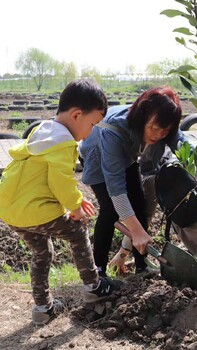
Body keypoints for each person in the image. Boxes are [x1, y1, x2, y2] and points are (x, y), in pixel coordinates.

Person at [0, 79, 121, 326]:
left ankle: (43, 308)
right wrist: (75, 207)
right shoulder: (63, 143)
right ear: (77, 115)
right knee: (78, 230)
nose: (91, 132)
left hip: (11, 210)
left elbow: (41, 178)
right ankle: (93, 286)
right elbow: (61, 180)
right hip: (34, 210)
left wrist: (71, 204)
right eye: (93, 124)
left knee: (42, 251)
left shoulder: (42, 131)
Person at [79, 86, 187, 276]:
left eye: (165, 131)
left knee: (139, 204)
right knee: (110, 209)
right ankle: (98, 270)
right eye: (154, 128)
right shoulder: (113, 130)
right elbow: (116, 187)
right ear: (143, 117)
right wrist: (135, 231)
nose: (158, 134)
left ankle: (141, 265)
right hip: (96, 155)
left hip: (125, 154)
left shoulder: (162, 124)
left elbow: (185, 142)